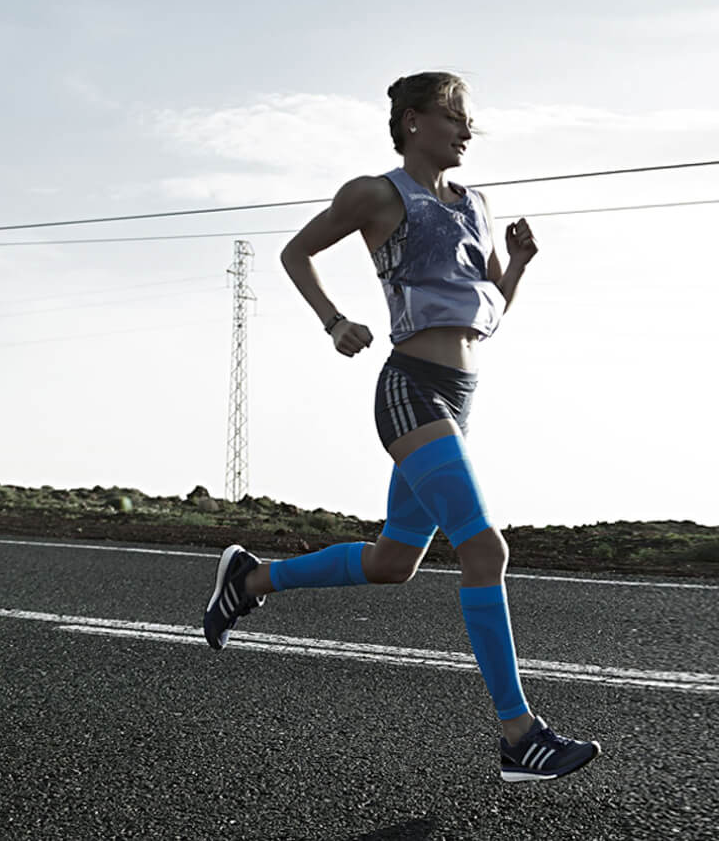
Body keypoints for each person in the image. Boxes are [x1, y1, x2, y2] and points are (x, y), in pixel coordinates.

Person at [200, 71, 600, 782]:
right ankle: (519, 735)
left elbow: (486, 314)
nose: (466, 131)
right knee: (485, 549)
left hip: (459, 393)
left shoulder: (477, 204)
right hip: (410, 390)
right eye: (454, 117)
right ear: (413, 121)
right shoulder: (376, 194)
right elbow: (296, 252)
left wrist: (519, 268)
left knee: (394, 563)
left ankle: (252, 579)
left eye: (468, 120)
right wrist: (334, 321)